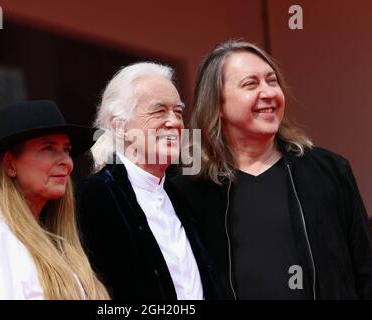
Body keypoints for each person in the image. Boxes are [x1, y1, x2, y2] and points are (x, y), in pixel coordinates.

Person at [172, 40, 372, 299]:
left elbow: (366, 271)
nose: (268, 93)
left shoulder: (329, 171)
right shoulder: (188, 192)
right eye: (250, 84)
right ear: (217, 105)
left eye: (272, 81)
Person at [0, 100, 109, 300]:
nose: (66, 162)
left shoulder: (55, 236)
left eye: (66, 149)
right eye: (48, 148)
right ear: (10, 165)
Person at [75, 62, 222, 299]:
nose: (174, 122)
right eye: (159, 111)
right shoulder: (92, 199)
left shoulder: (181, 198)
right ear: (119, 126)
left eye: (178, 112)